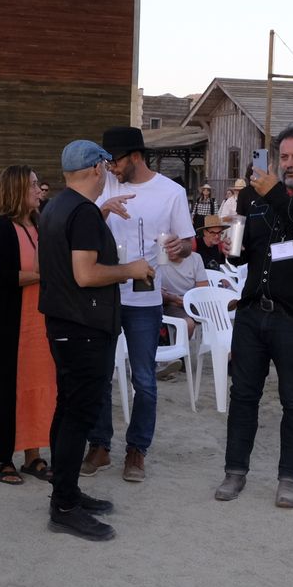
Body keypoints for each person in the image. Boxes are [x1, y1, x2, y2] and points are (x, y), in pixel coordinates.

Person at [213, 123, 293, 510]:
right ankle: (234, 471)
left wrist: (272, 193)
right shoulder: (254, 199)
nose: (289, 164)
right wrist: (229, 245)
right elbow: (245, 254)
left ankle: (289, 479)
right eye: (284, 157)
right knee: (243, 397)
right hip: (253, 313)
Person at [38, 140, 152, 540]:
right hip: (83, 327)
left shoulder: (58, 206)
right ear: (96, 169)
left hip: (64, 324)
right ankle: (64, 507)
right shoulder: (83, 212)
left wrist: (101, 214)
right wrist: (130, 269)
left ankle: (66, 491)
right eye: (106, 165)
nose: (109, 172)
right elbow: (85, 274)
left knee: (67, 410)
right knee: (77, 416)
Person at [86, 126, 195, 482]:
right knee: (99, 373)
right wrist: (103, 211)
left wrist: (180, 248)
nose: (111, 168)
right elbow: (82, 230)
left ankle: (137, 450)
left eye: (115, 161)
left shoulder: (171, 192)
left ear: (135, 156)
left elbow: (188, 242)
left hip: (146, 299)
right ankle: (100, 445)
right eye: (107, 162)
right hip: (105, 293)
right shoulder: (103, 186)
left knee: (144, 379)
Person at [0, 165, 55, 485]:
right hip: (10, 323)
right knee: (7, 387)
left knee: (37, 385)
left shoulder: (39, 223)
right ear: (17, 189)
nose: (38, 189)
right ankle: (4, 457)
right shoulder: (1, 227)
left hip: (39, 322)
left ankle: (33, 454)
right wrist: (43, 276)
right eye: (32, 184)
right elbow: (1, 276)